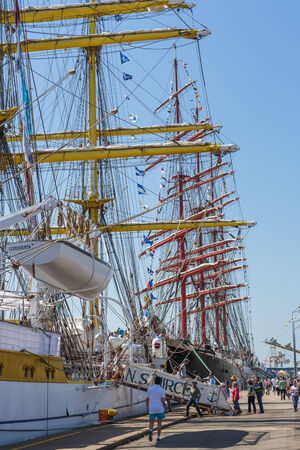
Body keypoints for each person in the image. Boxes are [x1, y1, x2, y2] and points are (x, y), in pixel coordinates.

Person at [146, 376, 166, 443]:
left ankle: (150, 430)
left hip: (152, 408)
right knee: (159, 423)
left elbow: (147, 399)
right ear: (160, 382)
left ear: (154, 381)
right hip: (159, 408)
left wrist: (148, 408)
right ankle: (158, 437)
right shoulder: (161, 389)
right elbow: (163, 400)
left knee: (151, 422)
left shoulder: (150, 389)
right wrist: (164, 404)